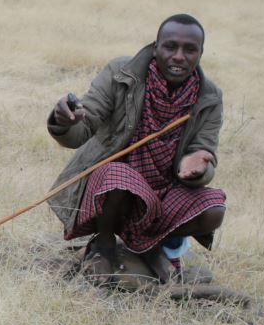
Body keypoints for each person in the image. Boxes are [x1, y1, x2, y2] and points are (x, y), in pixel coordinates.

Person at [48, 15, 226, 285]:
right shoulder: (122, 73)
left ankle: (148, 245)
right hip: (111, 187)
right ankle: (104, 243)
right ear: (156, 48)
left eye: (190, 49)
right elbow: (82, 131)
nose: (179, 56)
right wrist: (65, 122)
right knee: (120, 176)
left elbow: (204, 151)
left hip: (163, 191)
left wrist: (199, 167)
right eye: (170, 46)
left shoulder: (209, 97)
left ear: (201, 53)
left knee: (213, 210)